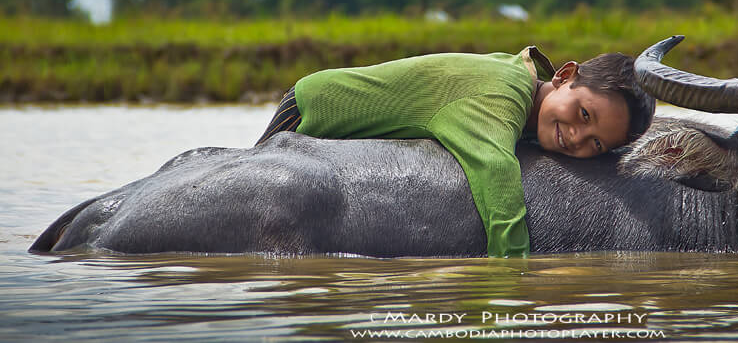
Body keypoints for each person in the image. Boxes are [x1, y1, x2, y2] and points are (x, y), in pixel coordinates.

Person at [254, 46, 656, 257]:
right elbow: (495, 170)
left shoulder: (524, 87)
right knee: (251, 202)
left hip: (332, 124)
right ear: (565, 75)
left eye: (596, 143)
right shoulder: (505, 93)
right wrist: (514, 274)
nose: (576, 136)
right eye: (583, 114)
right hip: (314, 108)